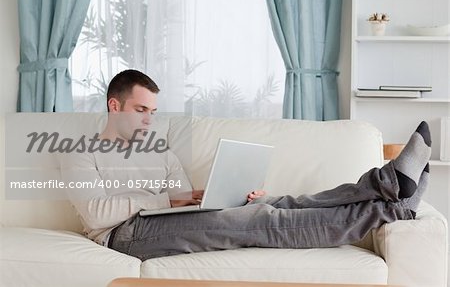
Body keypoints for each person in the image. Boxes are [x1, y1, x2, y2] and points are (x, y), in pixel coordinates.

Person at [60, 69, 431, 261]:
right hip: (123, 236)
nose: (148, 120)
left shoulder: (158, 149)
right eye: (141, 111)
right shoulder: (79, 151)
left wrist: (230, 195)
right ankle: (390, 207)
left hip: (160, 222)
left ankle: (388, 189)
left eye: (153, 112)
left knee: (276, 204)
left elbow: (182, 199)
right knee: (257, 221)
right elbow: (96, 215)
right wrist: (168, 201)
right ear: (114, 106)